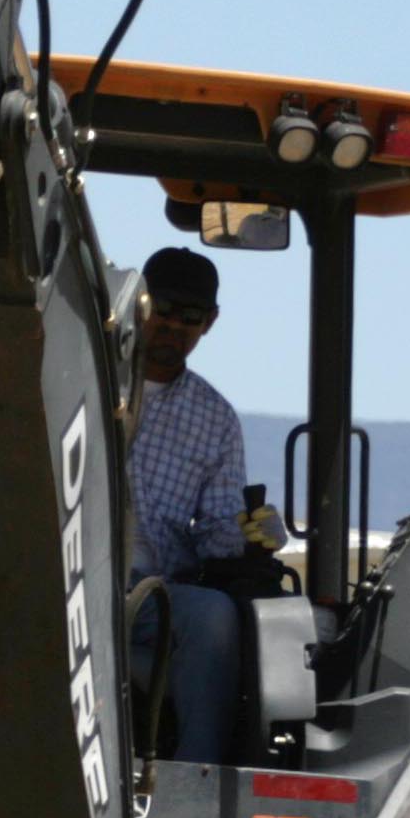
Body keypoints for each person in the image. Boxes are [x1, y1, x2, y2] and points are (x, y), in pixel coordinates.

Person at [126, 246, 275, 764]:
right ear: (138, 303)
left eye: (191, 316)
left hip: (147, 596)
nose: (174, 325)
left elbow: (216, 530)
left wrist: (251, 533)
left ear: (209, 323)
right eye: (164, 308)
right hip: (57, 573)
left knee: (213, 616)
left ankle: (197, 777)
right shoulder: (75, 373)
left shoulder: (214, 419)